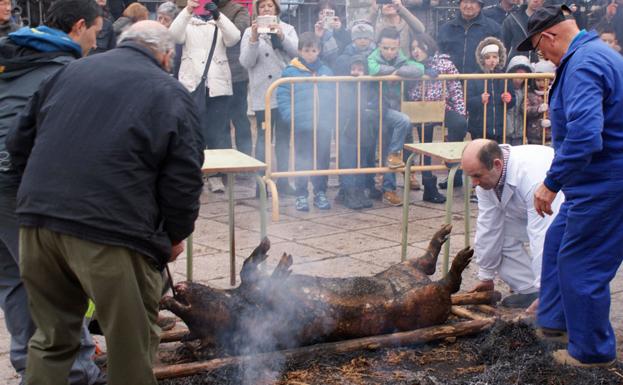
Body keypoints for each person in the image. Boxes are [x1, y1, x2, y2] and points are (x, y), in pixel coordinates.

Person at [6, 20, 204, 384]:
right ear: (166, 55)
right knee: (131, 345)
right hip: (112, 234)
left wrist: (38, 197)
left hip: (38, 227)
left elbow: (19, 142)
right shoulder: (171, 93)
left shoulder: (68, 73)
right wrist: (174, 236)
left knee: (51, 341)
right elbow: (183, 180)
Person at [0, 1, 107, 383]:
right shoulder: (66, 70)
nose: (95, 43)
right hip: (19, 185)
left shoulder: (13, 53)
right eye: (95, 31)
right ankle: (77, 373)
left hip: (6, 184)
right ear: (79, 26)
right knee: (57, 281)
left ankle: (29, 363)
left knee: (15, 278)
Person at [519, 3, 623, 367]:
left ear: (548, 36)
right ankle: (555, 322)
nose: (541, 57)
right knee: (558, 242)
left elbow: (584, 136)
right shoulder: (591, 55)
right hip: (592, 184)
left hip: (605, 183)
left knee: (583, 265)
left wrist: (550, 183)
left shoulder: (583, 63)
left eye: (538, 48)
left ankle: (592, 352)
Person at [461, 140, 563, 309]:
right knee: (500, 235)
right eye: (470, 176)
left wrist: (547, 293)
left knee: (548, 244)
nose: (474, 183)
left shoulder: (532, 177)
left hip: (572, 216)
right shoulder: (487, 177)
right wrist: (486, 277)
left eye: (477, 176)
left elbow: (544, 238)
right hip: (529, 213)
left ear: (497, 164)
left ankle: (551, 295)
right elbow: (488, 226)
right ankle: (530, 291)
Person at [239, 0, 298, 196]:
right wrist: (254, 39)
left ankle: (282, 182)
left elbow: (297, 54)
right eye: (262, 6)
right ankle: (261, 184)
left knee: (283, 139)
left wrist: (281, 36)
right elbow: (246, 62)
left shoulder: (288, 28)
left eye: (269, 6)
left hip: (283, 93)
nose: (266, 9)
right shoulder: (249, 32)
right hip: (261, 93)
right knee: (263, 139)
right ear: (257, 11)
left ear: (276, 9)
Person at [405, 32, 468, 203]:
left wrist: (460, 110)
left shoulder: (445, 64)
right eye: (413, 48)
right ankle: (429, 186)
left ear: (429, 46)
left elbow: (455, 88)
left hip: (442, 107)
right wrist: (421, 71)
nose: (416, 51)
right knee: (425, 148)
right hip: (421, 109)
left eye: (420, 47)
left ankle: (452, 161)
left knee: (460, 123)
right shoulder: (411, 66)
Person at [170, 0, 240, 151]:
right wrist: (188, 10)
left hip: (218, 86)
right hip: (193, 85)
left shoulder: (219, 23)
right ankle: (196, 171)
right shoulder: (187, 23)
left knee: (219, 134)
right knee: (193, 133)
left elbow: (234, 38)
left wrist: (218, 16)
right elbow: (174, 36)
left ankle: (220, 171)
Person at [277, 32, 335, 211]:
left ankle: (320, 192)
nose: (310, 54)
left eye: (314, 50)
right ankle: (301, 194)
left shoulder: (326, 71)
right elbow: (283, 96)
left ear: (319, 51)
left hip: (323, 124)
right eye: (307, 50)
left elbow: (333, 94)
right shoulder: (290, 71)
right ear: (300, 51)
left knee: (322, 159)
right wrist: (290, 116)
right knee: (302, 159)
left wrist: (332, 115)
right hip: (302, 124)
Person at [367, 27, 423, 206]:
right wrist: (395, 70)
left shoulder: (402, 59)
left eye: (393, 48)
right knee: (390, 149)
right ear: (379, 46)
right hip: (377, 109)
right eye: (386, 48)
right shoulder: (372, 57)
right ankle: (388, 187)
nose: (390, 52)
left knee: (393, 149)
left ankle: (390, 188)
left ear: (399, 47)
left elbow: (419, 68)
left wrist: (396, 73)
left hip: (395, 108)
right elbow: (373, 68)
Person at [217, 0, 252, 157]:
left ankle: (245, 159)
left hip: (236, 73)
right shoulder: (207, 10)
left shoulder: (240, 11)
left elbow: (237, 34)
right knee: (221, 122)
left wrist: (217, 18)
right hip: (216, 75)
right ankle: (225, 162)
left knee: (240, 120)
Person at [466, 36, 514, 143]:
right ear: (482, 60)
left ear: (499, 58)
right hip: (479, 127)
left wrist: (508, 99)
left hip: (499, 127)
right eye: (488, 57)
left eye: (495, 57)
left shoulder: (504, 77)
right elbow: (467, 102)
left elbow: (512, 100)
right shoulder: (474, 78)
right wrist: (479, 99)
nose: (492, 60)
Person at [437, 0, 501, 74]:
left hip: (482, 81)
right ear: (459, 4)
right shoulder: (446, 29)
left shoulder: (493, 28)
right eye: (465, 2)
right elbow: (439, 54)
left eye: (473, 2)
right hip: (451, 81)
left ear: (480, 6)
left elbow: (500, 58)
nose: (468, 6)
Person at [522, 59, 554, 144]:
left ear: (550, 80)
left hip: (549, 137)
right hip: (534, 136)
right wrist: (537, 109)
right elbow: (525, 109)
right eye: (538, 80)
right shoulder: (529, 93)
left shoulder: (553, 94)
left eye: (544, 80)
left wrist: (551, 121)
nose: (541, 83)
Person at [505, 54, 533, 144]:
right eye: (517, 71)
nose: (520, 75)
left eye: (524, 72)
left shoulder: (527, 91)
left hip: (520, 133)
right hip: (505, 132)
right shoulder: (504, 88)